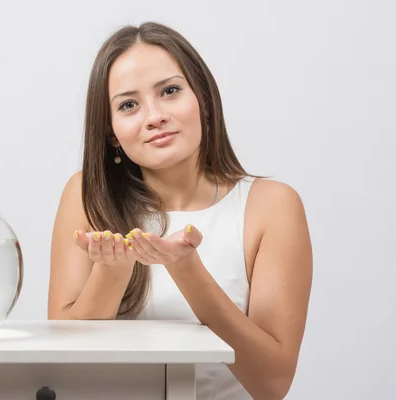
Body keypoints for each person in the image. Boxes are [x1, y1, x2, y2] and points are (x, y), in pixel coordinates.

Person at [47, 21, 312, 400]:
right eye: (128, 105)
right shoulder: (87, 195)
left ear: (202, 98)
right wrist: (114, 270)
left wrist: (187, 270)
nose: (154, 116)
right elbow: (64, 371)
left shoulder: (271, 206)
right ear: (111, 133)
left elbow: (271, 384)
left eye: (169, 91)